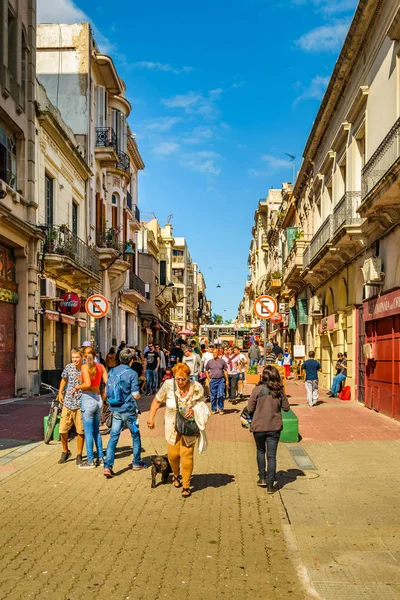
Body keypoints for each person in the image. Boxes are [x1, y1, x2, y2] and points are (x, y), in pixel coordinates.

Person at [147, 363, 208, 498]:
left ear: (188, 377)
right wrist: (151, 417)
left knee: (187, 455)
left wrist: (194, 410)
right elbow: (157, 401)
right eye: (178, 379)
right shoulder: (168, 385)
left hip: (189, 427)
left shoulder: (197, 387)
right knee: (173, 456)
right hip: (171, 426)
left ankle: (186, 485)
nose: (180, 382)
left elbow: (202, 404)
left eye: (183, 379)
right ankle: (175, 474)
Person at [103, 348, 146, 478]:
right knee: (135, 435)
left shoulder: (112, 371)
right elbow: (135, 395)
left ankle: (108, 467)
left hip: (115, 409)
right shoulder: (132, 373)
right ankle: (136, 462)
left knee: (113, 437)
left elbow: (107, 389)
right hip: (129, 410)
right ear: (132, 360)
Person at [247, 365, 291, 493]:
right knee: (272, 456)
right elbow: (286, 407)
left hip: (259, 426)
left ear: (264, 376)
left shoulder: (257, 390)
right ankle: (270, 485)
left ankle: (262, 478)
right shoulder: (279, 391)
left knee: (260, 451)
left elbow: (249, 408)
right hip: (274, 427)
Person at [74, 347, 107, 468]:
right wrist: (104, 396)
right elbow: (107, 382)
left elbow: (87, 384)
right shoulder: (101, 367)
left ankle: (90, 460)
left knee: (88, 432)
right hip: (98, 399)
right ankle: (101, 458)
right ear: (95, 355)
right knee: (96, 431)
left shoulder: (84, 367)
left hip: (88, 399)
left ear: (83, 356)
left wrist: (77, 387)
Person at [57, 348, 85, 465]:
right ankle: (65, 451)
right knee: (63, 430)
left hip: (81, 403)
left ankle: (79, 454)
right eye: (73, 357)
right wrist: (60, 392)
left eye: (77, 357)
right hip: (68, 402)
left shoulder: (85, 368)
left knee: (80, 431)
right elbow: (64, 379)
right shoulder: (68, 367)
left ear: (82, 357)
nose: (75, 359)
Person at [205, 347, 229, 414]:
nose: (214, 354)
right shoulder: (210, 362)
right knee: (213, 396)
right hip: (213, 380)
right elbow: (206, 370)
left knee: (221, 395)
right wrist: (208, 379)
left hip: (221, 380)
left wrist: (227, 380)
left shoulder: (222, 361)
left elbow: (225, 370)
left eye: (215, 353)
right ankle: (214, 408)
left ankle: (220, 408)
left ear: (218, 353)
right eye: (213, 353)